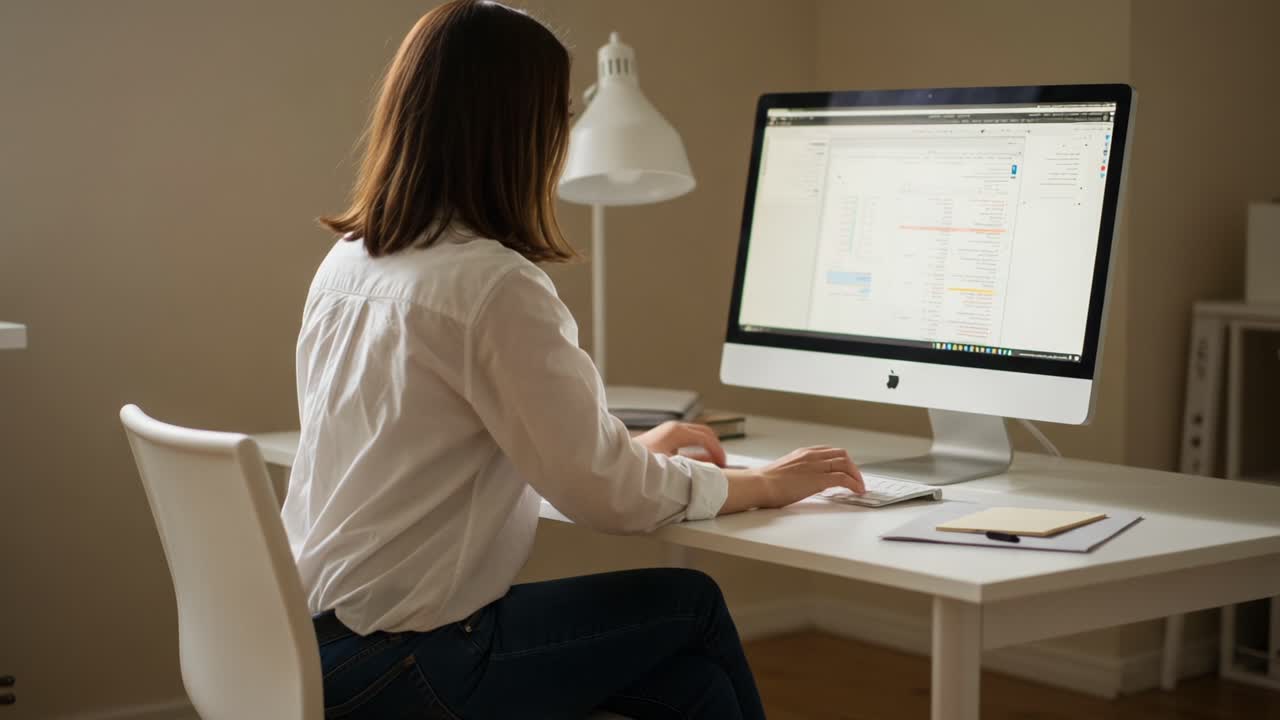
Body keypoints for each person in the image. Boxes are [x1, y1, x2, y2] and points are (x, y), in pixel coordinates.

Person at [283, 1, 865, 717]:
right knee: (692, 604)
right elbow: (606, 497)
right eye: (559, 117)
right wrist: (764, 484)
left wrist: (620, 452)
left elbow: (474, 457)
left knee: (698, 690)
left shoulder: (349, 262)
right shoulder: (493, 285)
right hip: (414, 660)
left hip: (314, 649)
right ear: (518, 131)